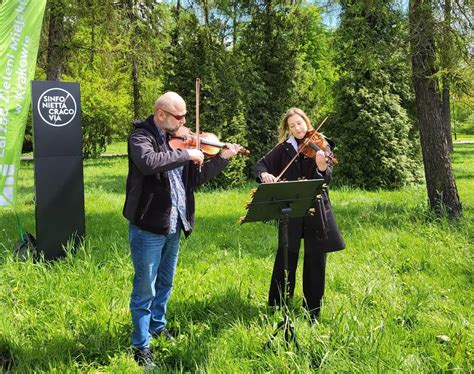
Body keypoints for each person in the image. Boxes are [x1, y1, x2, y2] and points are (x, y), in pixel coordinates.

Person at [123, 91, 240, 368]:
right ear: (161, 114)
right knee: (145, 288)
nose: (185, 122)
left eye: (187, 116)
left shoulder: (180, 139)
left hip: (174, 222)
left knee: (165, 282)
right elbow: (148, 163)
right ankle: (140, 347)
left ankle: (157, 326)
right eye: (179, 116)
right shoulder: (141, 137)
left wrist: (221, 157)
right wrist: (185, 152)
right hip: (149, 225)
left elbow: (195, 179)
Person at [253, 107, 345, 321]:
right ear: (288, 129)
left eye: (300, 123)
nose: (297, 128)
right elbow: (260, 165)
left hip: (316, 207)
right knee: (286, 253)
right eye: (292, 125)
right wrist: (265, 174)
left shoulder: (321, 143)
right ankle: (278, 305)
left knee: (315, 257)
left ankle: (312, 310)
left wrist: (322, 168)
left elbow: (326, 177)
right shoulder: (284, 148)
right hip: (291, 208)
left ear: (306, 122)